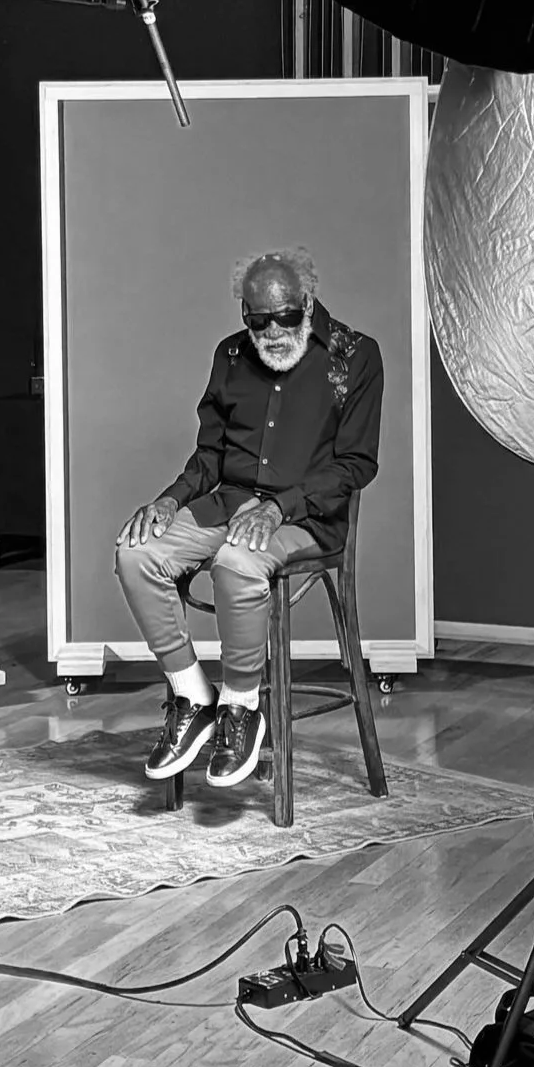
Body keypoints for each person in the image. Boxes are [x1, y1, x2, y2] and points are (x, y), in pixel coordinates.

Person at [113, 246, 383, 788]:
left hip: (305, 517)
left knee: (237, 562)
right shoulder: (231, 356)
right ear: (245, 314)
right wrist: (169, 500)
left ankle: (241, 708)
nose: (273, 333)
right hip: (229, 506)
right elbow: (210, 456)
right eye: (259, 321)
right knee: (135, 553)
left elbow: (356, 464)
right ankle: (194, 696)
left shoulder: (355, 356)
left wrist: (280, 507)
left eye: (286, 317)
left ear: (308, 303)